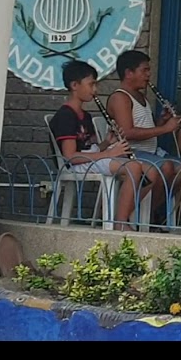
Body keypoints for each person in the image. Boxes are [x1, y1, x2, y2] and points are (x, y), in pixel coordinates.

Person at [49, 60, 155, 232]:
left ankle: (123, 215)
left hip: (89, 159)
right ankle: (120, 222)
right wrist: (110, 153)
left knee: (149, 171)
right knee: (133, 167)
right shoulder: (66, 116)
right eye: (91, 85)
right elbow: (71, 156)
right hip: (77, 164)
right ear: (74, 85)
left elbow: (90, 147)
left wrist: (107, 143)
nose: (95, 90)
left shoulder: (86, 115)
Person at [107, 50, 181, 230]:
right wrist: (165, 129)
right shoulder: (120, 98)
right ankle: (135, 216)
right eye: (145, 70)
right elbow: (127, 132)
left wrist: (161, 121)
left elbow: (145, 127)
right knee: (165, 167)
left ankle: (151, 212)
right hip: (130, 152)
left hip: (150, 151)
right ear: (129, 73)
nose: (149, 75)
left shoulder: (141, 96)